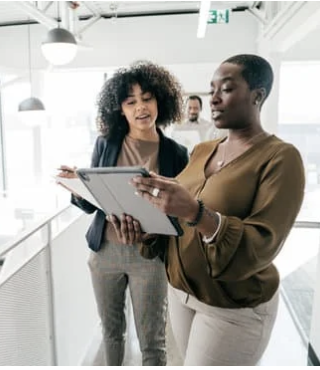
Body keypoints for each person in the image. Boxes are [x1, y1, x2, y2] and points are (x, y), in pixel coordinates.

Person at [123, 54, 305, 365]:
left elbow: (261, 244)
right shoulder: (203, 150)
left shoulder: (280, 159)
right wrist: (150, 228)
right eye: (212, 90)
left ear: (258, 95)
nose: (214, 99)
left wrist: (196, 212)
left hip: (233, 307)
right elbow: (177, 219)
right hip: (182, 293)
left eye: (227, 89)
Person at [57, 61, 189, 366]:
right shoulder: (105, 144)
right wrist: (77, 187)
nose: (141, 107)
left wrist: (157, 228)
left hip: (150, 258)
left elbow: (182, 213)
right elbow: (93, 204)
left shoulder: (177, 154)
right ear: (120, 109)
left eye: (147, 98)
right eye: (131, 102)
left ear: (160, 101)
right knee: (111, 334)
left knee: (152, 344)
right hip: (105, 253)